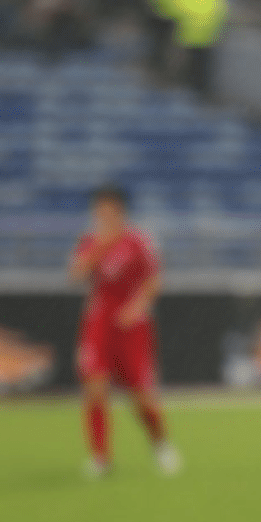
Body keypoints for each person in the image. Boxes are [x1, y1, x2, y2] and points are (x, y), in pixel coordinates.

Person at [68, 184, 180, 478]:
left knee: (141, 395)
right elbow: (75, 275)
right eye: (98, 209)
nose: (102, 214)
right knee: (95, 387)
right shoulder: (90, 241)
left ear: (120, 211)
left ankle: (161, 444)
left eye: (108, 208)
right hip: (99, 322)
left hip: (132, 326)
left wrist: (137, 306)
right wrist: (98, 249)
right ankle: (100, 458)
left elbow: (154, 280)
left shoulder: (138, 241)